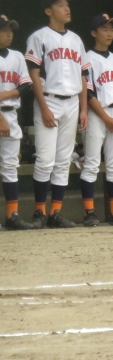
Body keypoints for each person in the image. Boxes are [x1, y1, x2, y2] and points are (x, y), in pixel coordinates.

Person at [25, 0, 90, 229]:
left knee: (63, 160)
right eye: (60, 5)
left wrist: (84, 109)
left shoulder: (76, 40)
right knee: (45, 159)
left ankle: (56, 213)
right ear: (48, 11)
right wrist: (43, 107)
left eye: (67, 4)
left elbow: (83, 76)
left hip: (72, 101)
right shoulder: (38, 37)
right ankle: (39, 212)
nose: (67, 8)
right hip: (49, 99)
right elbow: (33, 75)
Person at [79, 14, 113, 226]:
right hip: (97, 114)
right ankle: (89, 212)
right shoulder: (87, 57)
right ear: (94, 33)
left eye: (111, 29)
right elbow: (88, 92)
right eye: (104, 29)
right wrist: (104, 118)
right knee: (92, 164)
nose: (109, 33)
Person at [0, 15, 34, 230]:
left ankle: (12, 216)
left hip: (11, 113)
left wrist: (5, 95)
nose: (9, 34)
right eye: (4, 30)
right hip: (3, 116)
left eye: (11, 30)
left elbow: (26, 86)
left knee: (10, 167)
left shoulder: (17, 56)